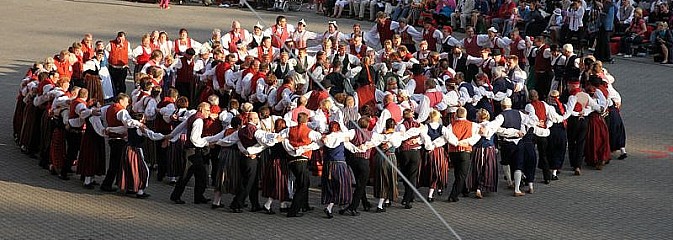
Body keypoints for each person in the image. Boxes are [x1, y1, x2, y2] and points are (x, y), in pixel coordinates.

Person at [169, 102, 219, 204]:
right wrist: (206, 143)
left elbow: (181, 126)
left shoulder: (193, 117)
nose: (209, 113)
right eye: (207, 110)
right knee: (186, 174)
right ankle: (176, 196)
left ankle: (199, 196)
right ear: (201, 110)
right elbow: (194, 139)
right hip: (192, 150)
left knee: (201, 174)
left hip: (194, 150)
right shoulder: (199, 120)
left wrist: (171, 135)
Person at [280, 112, 322, 217]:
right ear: (307, 120)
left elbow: (281, 138)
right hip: (302, 160)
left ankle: (305, 205)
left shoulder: (289, 129)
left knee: (304, 182)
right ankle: (293, 210)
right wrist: (307, 147)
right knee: (302, 185)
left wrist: (292, 150)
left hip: (292, 160)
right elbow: (320, 141)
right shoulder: (309, 132)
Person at [115, 113, 166, 198]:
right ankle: (140, 191)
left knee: (130, 169)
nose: (145, 120)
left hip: (128, 150)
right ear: (140, 119)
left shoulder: (132, 127)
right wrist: (165, 136)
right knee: (142, 170)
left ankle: (130, 188)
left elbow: (120, 128)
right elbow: (152, 135)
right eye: (143, 118)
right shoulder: (137, 127)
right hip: (135, 151)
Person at [100, 93, 140, 192]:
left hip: (113, 139)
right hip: (119, 140)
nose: (127, 104)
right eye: (126, 102)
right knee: (118, 163)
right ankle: (111, 184)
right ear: (121, 101)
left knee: (115, 163)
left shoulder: (109, 108)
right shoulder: (122, 111)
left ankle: (112, 183)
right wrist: (139, 123)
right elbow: (128, 123)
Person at [320, 121, 356, 218]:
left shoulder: (325, 138)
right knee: (343, 186)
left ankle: (334, 206)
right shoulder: (341, 138)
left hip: (328, 165)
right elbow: (352, 148)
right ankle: (336, 206)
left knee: (331, 186)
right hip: (339, 164)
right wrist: (361, 149)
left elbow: (317, 145)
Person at [447, 107, 480, 202]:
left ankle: (464, 190)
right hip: (465, 151)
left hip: (453, 151)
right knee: (462, 174)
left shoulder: (451, 125)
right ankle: (453, 195)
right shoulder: (472, 125)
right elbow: (477, 135)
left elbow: (448, 137)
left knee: (458, 172)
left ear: (456, 115)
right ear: (466, 114)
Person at [465, 109, 498, 198]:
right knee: (487, 168)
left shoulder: (475, 126)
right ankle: (482, 187)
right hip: (488, 148)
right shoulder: (492, 125)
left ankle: (476, 187)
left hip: (478, 149)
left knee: (477, 167)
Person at [106, 32, 132, 96]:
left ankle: (122, 96)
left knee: (122, 83)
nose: (121, 41)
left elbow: (130, 54)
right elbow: (106, 54)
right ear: (117, 38)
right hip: (113, 67)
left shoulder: (127, 44)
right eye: (119, 39)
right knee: (114, 83)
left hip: (123, 68)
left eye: (122, 40)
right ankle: (114, 96)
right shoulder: (111, 44)